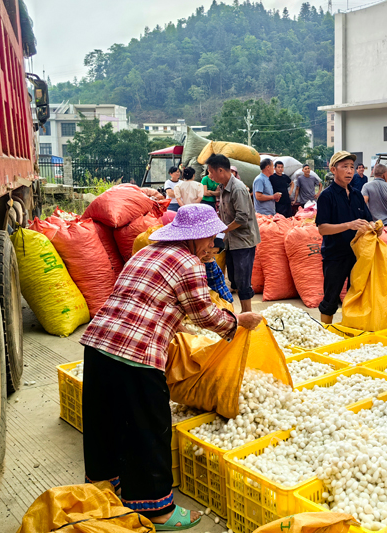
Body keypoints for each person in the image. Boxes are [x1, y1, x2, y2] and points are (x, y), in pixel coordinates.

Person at [79, 204, 263, 531]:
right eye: (209, 238)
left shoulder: (145, 253)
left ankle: (103, 487)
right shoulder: (188, 262)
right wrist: (237, 322)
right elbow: (204, 314)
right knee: (149, 428)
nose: (213, 245)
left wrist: (179, 325)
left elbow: (149, 301)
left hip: (98, 345)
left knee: (103, 420)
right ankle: (156, 510)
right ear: (192, 237)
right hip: (136, 355)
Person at [315, 151, 376, 324]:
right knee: (331, 298)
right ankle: (325, 332)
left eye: (352, 167)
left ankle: (350, 329)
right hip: (335, 255)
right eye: (345, 167)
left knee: (355, 296)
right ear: (333, 169)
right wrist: (349, 225)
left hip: (357, 255)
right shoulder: (326, 196)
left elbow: (368, 219)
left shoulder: (357, 195)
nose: (349, 171)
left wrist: (374, 227)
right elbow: (322, 229)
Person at [208, 154, 261, 313]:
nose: (210, 176)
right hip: (231, 241)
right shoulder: (223, 187)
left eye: (211, 172)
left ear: (220, 170)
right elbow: (224, 214)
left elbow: (242, 218)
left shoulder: (237, 188)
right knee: (234, 280)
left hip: (243, 241)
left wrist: (223, 230)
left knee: (243, 281)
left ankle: (248, 314)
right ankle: (244, 313)